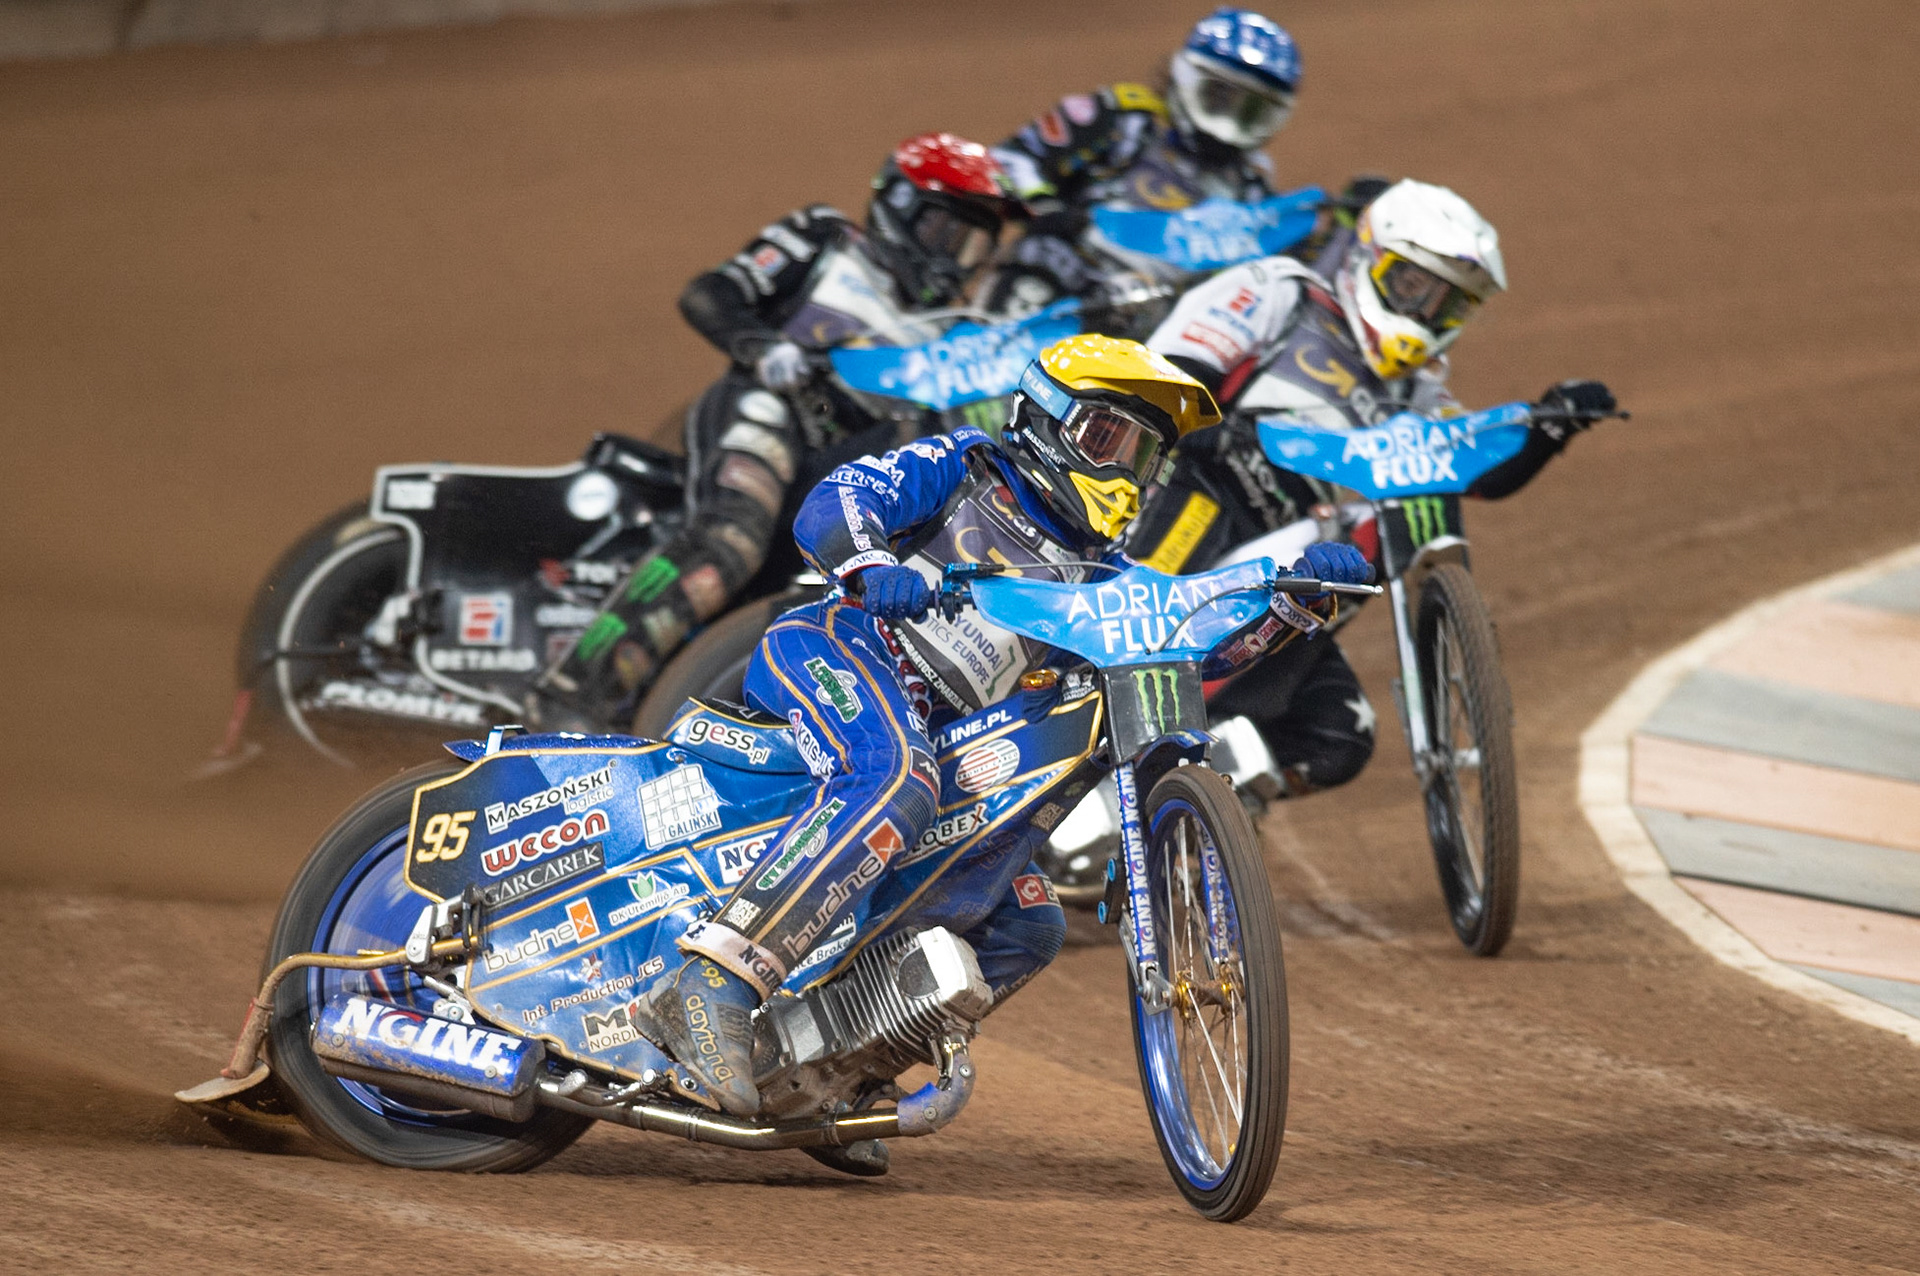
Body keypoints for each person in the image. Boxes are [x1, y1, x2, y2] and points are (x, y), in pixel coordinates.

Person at [629, 334, 1371, 1123]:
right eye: (1106, 439)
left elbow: (1198, 643)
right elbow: (840, 498)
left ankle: (827, 1080)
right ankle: (715, 981)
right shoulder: (970, 467)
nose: (1124, 472)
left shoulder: (1109, 578)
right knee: (894, 776)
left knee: (1029, 922)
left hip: (947, 737)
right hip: (838, 651)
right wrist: (872, 567)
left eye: (1144, 456)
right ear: (1045, 421)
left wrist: (1290, 606)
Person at [1128, 177, 1617, 798]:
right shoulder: (1283, 292)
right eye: (1413, 285)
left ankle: (1194, 813)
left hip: (1297, 569)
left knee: (1339, 734)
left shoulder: (1416, 393)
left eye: (1448, 304)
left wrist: (1551, 429)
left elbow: (1470, 473)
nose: (1424, 314)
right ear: (1365, 258)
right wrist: (1211, 427)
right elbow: (1164, 369)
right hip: (1204, 497)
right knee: (1135, 644)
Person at [531, 134, 1020, 728]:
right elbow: (711, 294)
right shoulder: (828, 238)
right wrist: (764, 349)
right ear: (900, 207)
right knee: (727, 542)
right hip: (770, 409)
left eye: (973, 245)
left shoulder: (955, 335)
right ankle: (568, 700)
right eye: (948, 232)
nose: (955, 257)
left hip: (839, 477)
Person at [985, 7, 1303, 315]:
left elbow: (1263, 261)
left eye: (1253, 112)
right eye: (1220, 97)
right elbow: (1011, 158)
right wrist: (1048, 210)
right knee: (1045, 258)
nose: (1231, 121)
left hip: (1154, 318)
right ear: (1189, 77)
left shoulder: (1252, 182)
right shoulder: (1125, 117)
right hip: (1058, 280)